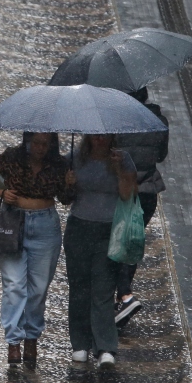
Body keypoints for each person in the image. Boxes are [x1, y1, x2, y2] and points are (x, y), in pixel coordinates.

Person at [0, 132, 73, 368]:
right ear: (27, 141)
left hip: (45, 225)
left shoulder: (59, 164)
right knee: (14, 284)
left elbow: (66, 199)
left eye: (44, 144)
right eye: (35, 142)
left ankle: (31, 336)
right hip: (12, 222)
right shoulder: (10, 158)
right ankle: (14, 341)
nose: (39, 147)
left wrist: (70, 184)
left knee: (38, 289)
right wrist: (1, 192)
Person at [63, 134, 136, 369]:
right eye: (95, 135)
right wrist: (67, 183)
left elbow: (128, 194)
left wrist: (117, 170)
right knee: (79, 288)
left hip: (109, 231)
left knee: (104, 289)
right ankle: (80, 344)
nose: (99, 139)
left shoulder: (122, 159)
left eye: (104, 135)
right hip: (79, 229)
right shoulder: (75, 158)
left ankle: (105, 346)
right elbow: (63, 199)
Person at [113, 87, 168, 327]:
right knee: (131, 241)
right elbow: (162, 155)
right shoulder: (159, 121)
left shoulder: (115, 121)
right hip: (147, 192)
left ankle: (124, 295)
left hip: (122, 192)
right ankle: (122, 297)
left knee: (115, 243)